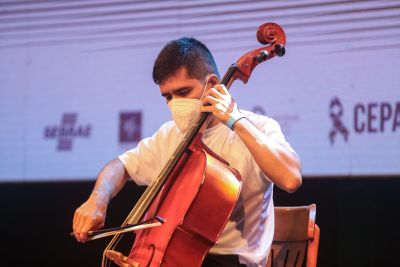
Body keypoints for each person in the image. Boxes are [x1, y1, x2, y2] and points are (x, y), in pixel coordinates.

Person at [73, 37, 302, 267]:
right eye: (168, 97)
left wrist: (236, 120)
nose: (175, 104)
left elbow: (290, 178)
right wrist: (98, 199)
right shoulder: (171, 135)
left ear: (212, 84)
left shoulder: (257, 127)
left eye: (183, 92)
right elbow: (120, 165)